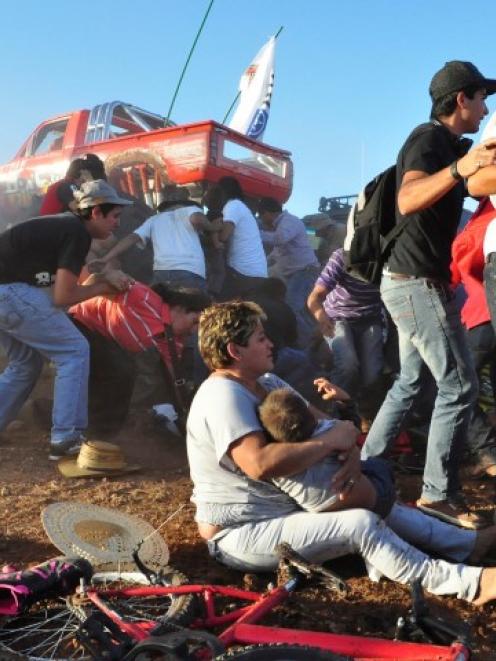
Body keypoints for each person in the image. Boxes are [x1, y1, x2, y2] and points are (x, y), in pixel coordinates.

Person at [186, 300, 496, 606]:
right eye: (260, 338)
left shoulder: (265, 382)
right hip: (241, 533)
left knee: (378, 500)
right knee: (359, 523)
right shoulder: (222, 396)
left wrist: (348, 454)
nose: (270, 344)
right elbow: (258, 463)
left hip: (284, 512)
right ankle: (468, 583)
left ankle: (468, 544)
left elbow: (331, 425)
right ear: (234, 351)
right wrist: (329, 443)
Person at [360, 60, 496, 529]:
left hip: (406, 281)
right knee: (459, 383)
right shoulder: (428, 138)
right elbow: (408, 198)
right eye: (482, 98)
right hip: (416, 281)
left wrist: (474, 161)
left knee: (411, 382)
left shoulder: (449, 145)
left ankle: (367, 467)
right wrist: (461, 166)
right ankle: (438, 493)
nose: (485, 107)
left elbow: (476, 180)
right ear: (462, 99)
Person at [0, 179, 134, 459]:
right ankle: (65, 437)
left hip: (6, 291)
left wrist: (99, 280)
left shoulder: (62, 227)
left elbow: (61, 288)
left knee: (26, 362)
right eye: (114, 216)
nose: (117, 224)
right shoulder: (76, 232)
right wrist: (104, 288)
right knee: (74, 350)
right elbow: (63, 297)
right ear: (96, 212)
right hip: (9, 291)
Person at [69, 282, 211, 433]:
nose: (194, 330)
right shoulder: (143, 298)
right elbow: (100, 281)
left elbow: (173, 376)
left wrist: (182, 409)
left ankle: (101, 432)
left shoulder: (173, 340)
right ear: (179, 308)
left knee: (124, 374)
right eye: (195, 321)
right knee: (119, 371)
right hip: (79, 324)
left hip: (105, 342)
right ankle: (87, 428)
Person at [258, 385, 394, 518]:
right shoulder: (328, 430)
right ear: (310, 415)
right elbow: (352, 429)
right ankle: (398, 498)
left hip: (327, 516)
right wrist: (345, 402)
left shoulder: (277, 467)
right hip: (377, 501)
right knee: (379, 465)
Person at [307, 247, 384, 415]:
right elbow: (315, 297)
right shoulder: (342, 257)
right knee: (348, 364)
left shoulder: (389, 258)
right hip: (338, 316)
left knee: (373, 374)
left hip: (370, 318)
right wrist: (321, 316)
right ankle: (335, 412)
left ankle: (363, 412)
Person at [91, 191, 221, 290]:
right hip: (190, 271)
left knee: (162, 311)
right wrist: (212, 227)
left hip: (162, 273)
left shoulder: (154, 220)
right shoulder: (188, 210)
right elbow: (197, 218)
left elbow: (131, 238)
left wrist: (105, 258)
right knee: (197, 312)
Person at [451, 197, 496, 477]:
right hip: (483, 312)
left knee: (457, 384)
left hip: (481, 315)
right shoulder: (483, 213)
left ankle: (487, 453)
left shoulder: (483, 219)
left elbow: (460, 267)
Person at [258, 197, 319, 345]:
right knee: (303, 311)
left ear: (266, 213)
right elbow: (276, 254)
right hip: (301, 273)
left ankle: (310, 344)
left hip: (304, 272)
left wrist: (256, 233)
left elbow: (280, 239)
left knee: (292, 307)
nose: (261, 219)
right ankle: (315, 341)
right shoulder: (283, 225)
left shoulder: (288, 221)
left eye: (261, 216)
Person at [213, 177, 268, 298]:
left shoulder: (232, 205)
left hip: (243, 271)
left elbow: (224, 236)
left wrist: (214, 229)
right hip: (257, 273)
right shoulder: (242, 207)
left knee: (224, 310)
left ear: (223, 192)